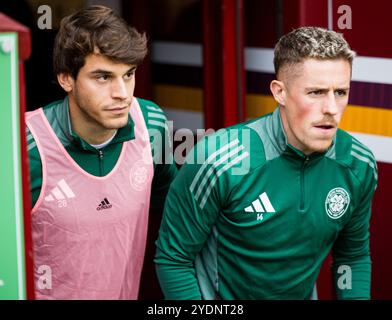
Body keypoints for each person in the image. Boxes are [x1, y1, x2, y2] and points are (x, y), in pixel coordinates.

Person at [155, 26, 378, 299]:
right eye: (316, 92)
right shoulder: (218, 160)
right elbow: (173, 259)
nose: (331, 108)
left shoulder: (358, 164)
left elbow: (352, 256)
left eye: (341, 92)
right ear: (279, 92)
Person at [25, 5, 177, 299]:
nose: (122, 92)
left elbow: (170, 201)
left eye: (128, 74)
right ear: (66, 79)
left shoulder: (151, 124)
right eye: (103, 77)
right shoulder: (24, 146)